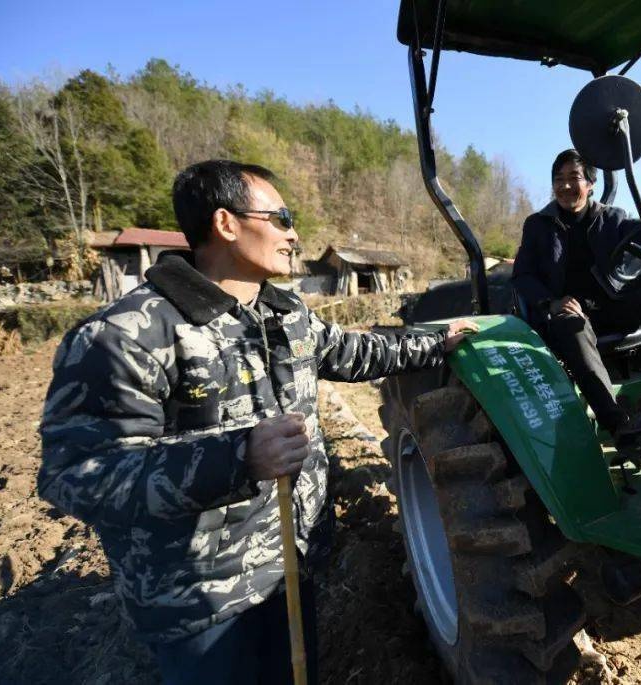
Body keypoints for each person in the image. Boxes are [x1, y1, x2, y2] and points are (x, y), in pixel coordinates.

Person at [38, 159, 478, 684]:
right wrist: (239, 458)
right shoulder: (126, 335)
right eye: (282, 218)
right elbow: (77, 474)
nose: (294, 235)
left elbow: (352, 352)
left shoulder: (284, 313)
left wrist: (437, 341)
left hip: (290, 572)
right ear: (226, 223)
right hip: (202, 602)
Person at [512, 148, 641, 438]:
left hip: (612, 304)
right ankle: (619, 423)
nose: (566, 185)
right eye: (559, 179)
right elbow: (522, 276)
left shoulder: (610, 219)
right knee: (572, 324)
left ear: (590, 184)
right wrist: (552, 302)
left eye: (574, 177)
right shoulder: (537, 226)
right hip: (568, 314)